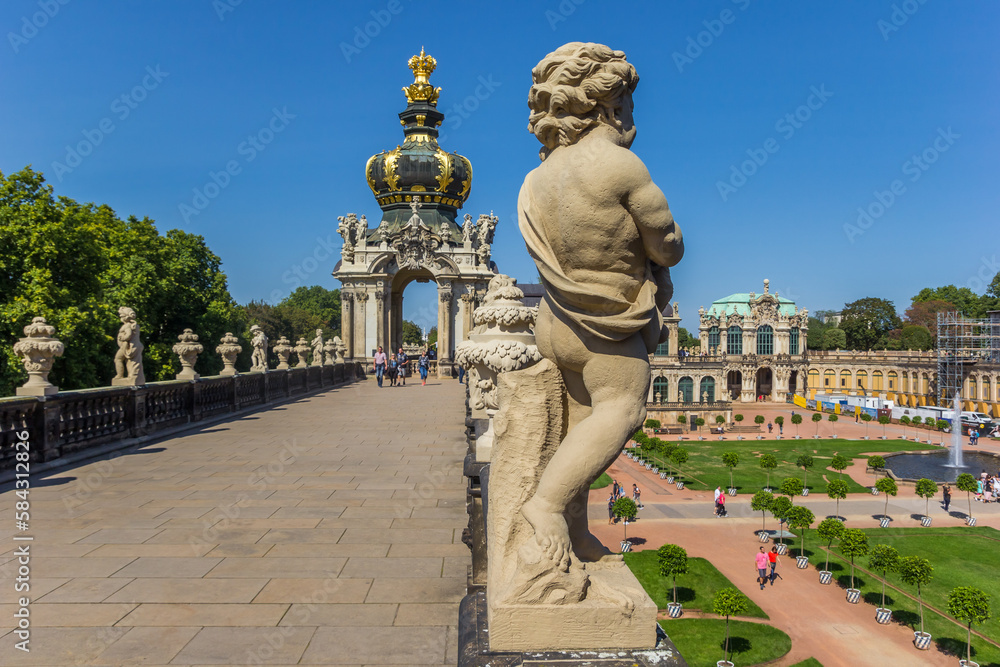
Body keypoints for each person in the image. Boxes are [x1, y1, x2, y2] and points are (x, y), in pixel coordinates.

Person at [516, 43, 684, 568]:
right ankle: (544, 507)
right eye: (630, 105)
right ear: (611, 106)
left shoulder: (536, 179)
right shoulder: (621, 166)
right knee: (622, 409)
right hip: (607, 323)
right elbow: (666, 244)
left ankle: (576, 532)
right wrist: (670, 247)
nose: (633, 117)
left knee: (579, 426)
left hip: (556, 318)